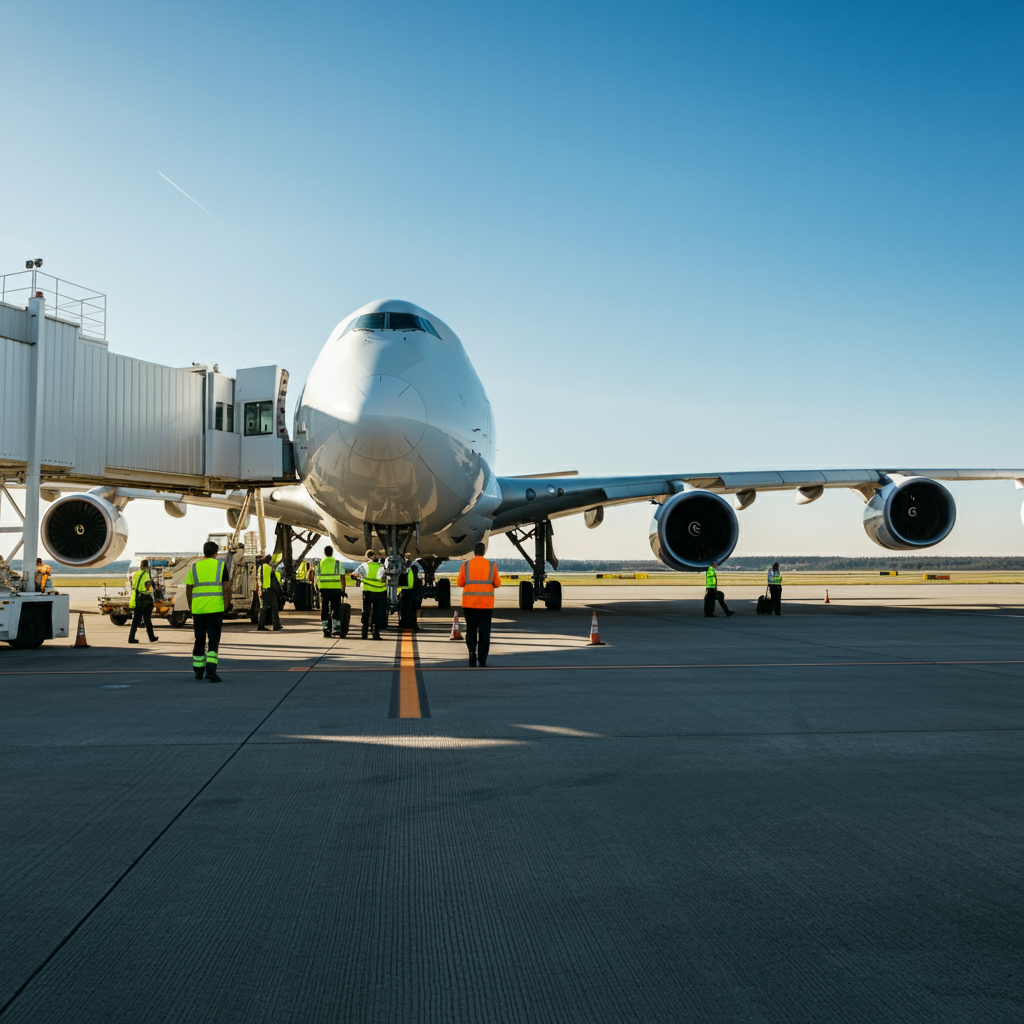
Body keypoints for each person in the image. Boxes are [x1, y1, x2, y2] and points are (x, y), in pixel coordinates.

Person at [185, 541, 231, 682]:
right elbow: (227, 587)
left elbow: (188, 588)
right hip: (215, 609)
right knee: (213, 641)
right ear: (216, 553)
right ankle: (211, 671)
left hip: (198, 610)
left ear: (204, 552)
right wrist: (226, 605)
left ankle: (198, 671)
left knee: (199, 640)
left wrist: (191, 606)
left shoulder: (194, 567)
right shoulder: (221, 566)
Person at [456, 542, 502, 666]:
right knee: (484, 632)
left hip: (469, 604)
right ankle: (482, 659)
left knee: (471, 630)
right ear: (484, 551)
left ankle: (472, 653)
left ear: (474, 552)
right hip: (486, 605)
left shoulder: (466, 565)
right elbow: (497, 583)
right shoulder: (491, 565)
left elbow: (460, 583)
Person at [354, 550, 387, 640]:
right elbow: (386, 578)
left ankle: (364, 633)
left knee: (366, 612)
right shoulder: (382, 567)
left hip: (368, 592)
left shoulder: (364, 566)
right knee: (377, 613)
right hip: (380, 592)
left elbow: (354, 575)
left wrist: (361, 579)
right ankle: (376, 633)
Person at [316, 545, 346, 637]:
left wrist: (317, 589)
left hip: (324, 590)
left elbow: (316, 578)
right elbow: (342, 577)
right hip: (335, 590)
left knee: (324, 609)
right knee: (335, 608)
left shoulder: (320, 564)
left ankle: (325, 629)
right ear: (332, 552)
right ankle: (335, 628)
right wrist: (343, 590)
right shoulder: (337, 563)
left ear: (325, 553)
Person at [127, 558, 159, 644]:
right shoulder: (147, 575)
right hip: (145, 600)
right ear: (147, 566)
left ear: (140, 566)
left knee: (135, 620)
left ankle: (131, 637)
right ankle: (151, 637)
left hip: (137, 599)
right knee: (147, 620)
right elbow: (149, 588)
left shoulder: (135, 574)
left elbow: (132, 584)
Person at [257, 554, 284, 631]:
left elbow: (258, 579)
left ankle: (260, 625)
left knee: (263, 609)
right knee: (274, 608)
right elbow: (274, 581)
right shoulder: (270, 569)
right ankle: (276, 625)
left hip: (262, 590)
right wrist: (278, 591)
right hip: (270, 591)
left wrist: (259, 589)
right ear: (270, 561)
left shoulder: (260, 567)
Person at [398, 555, 418, 631]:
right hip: (412, 593)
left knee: (406, 609)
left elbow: (407, 584)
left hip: (407, 592)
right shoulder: (412, 570)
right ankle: (411, 624)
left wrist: (399, 589)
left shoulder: (407, 570)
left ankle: (406, 623)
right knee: (412, 609)